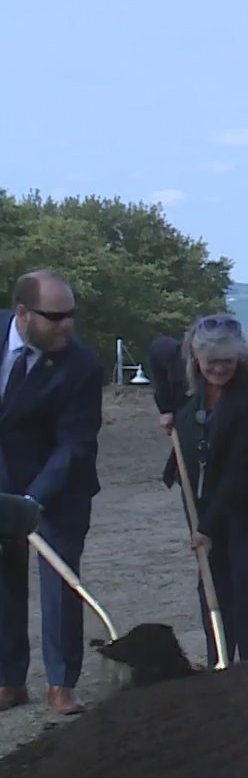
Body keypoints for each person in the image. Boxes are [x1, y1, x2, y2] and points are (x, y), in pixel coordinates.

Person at [0, 270, 102, 715]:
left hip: (58, 486)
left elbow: (74, 443)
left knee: (60, 583)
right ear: (23, 313)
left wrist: (32, 500)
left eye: (71, 316)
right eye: (56, 317)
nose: (66, 326)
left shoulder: (81, 366)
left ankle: (62, 684)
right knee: (3, 583)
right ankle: (8, 680)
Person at [162, 314, 248, 664]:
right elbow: (158, 352)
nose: (219, 369)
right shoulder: (192, 387)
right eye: (211, 362)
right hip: (203, 496)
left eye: (227, 362)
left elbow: (240, 472)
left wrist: (206, 528)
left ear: (240, 360)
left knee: (246, 579)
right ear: (196, 359)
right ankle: (220, 659)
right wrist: (167, 410)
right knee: (211, 581)